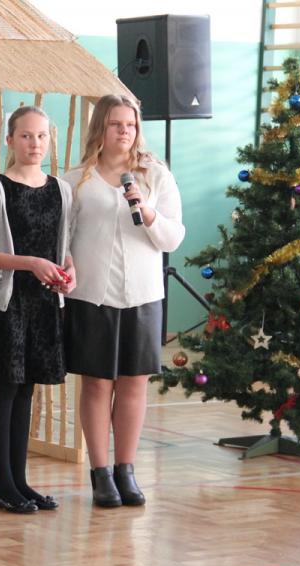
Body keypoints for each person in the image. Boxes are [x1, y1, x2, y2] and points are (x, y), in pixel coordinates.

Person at [62, 94, 185, 508]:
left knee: (134, 382)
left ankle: (125, 470)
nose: (124, 131)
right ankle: (100, 473)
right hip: (92, 294)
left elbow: (172, 237)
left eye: (130, 124)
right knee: (97, 383)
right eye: (116, 124)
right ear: (101, 127)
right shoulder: (75, 179)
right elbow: (62, 237)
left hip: (143, 296)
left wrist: (147, 212)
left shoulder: (154, 176)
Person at [0, 106, 75, 514]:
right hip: (7, 303)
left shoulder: (61, 189)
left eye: (42, 136)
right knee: (6, 389)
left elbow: (63, 248)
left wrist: (69, 272)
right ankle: (2, 486)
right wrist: (30, 263)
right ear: (10, 140)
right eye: (26, 136)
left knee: (27, 390)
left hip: (44, 302)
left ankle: (20, 481)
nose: (35, 143)